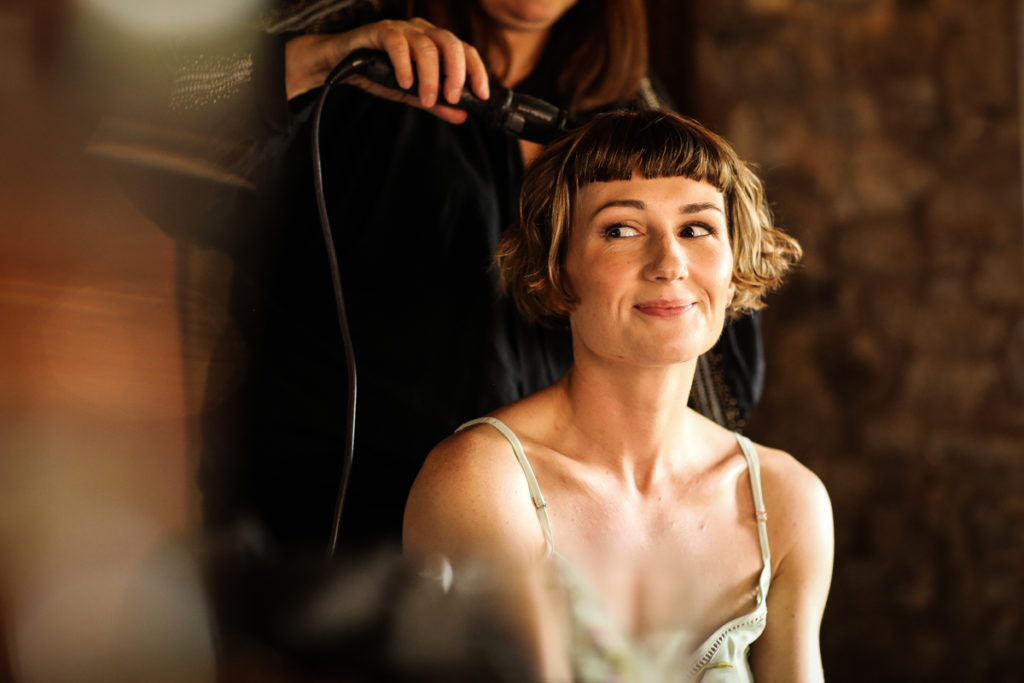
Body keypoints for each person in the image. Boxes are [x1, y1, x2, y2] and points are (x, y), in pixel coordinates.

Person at [97, 0, 764, 555]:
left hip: (532, 554)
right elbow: (130, 131)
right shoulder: (355, 59)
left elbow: (715, 377)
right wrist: (313, 60)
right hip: (323, 549)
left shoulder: (630, 115)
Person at [404, 110, 834, 681]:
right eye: (621, 230)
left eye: (697, 228)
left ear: (734, 269)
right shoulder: (482, 484)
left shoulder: (786, 500)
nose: (669, 263)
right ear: (557, 268)